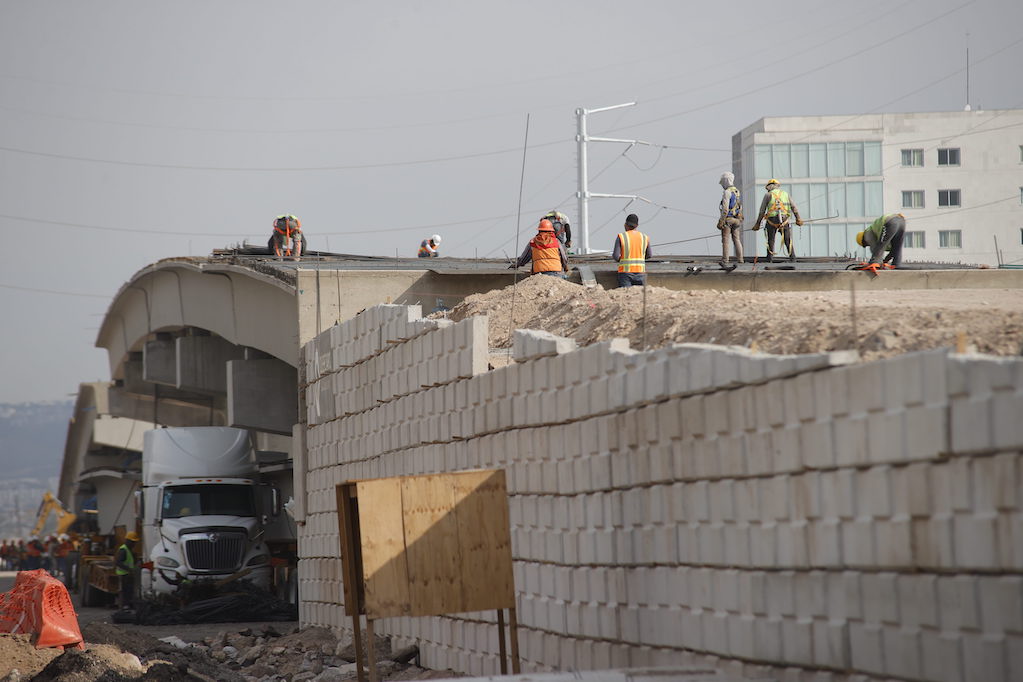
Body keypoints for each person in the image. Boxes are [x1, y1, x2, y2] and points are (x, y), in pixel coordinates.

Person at [752, 179, 803, 262]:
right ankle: (793, 258)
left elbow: (762, 211)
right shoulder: (785, 194)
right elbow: (794, 207)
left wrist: (757, 224)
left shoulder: (768, 195)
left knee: (771, 240)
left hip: (772, 220)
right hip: (784, 220)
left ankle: (769, 258)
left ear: (770, 186)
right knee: (787, 239)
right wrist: (798, 219)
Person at [612, 214, 652, 287]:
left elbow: (615, 256)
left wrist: (622, 259)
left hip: (625, 273)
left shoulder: (621, 236)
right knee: (639, 296)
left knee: (627, 296)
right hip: (640, 272)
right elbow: (649, 255)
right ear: (637, 226)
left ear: (625, 224)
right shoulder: (644, 237)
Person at [717, 172, 743, 266]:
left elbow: (725, 208)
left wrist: (721, 220)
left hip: (728, 219)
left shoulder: (727, 192)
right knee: (737, 239)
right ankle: (740, 259)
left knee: (725, 240)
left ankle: (725, 260)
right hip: (737, 219)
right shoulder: (736, 191)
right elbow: (739, 205)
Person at [115, 531, 139, 610]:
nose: (134, 544)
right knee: (125, 591)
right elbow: (118, 562)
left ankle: (128, 605)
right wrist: (129, 570)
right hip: (123, 574)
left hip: (127, 574)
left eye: (134, 542)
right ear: (128, 541)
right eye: (132, 542)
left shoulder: (129, 550)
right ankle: (124, 606)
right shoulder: (123, 550)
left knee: (129, 591)